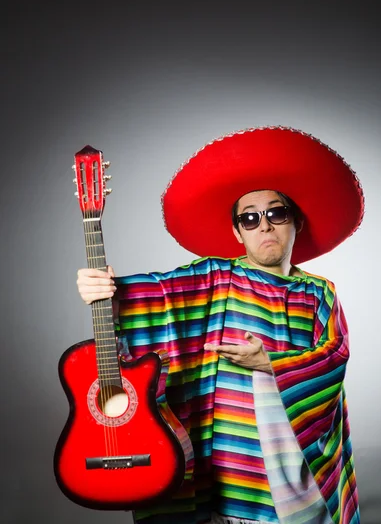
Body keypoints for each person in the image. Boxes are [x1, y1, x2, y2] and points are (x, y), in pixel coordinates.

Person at [77, 127, 363, 524]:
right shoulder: (214, 277)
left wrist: (269, 363)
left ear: (294, 220)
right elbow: (153, 296)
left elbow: (335, 356)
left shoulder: (318, 292)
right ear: (237, 232)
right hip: (218, 470)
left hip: (289, 472)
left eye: (275, 213)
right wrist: (107, 290)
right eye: (249, 218)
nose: (264, 226)